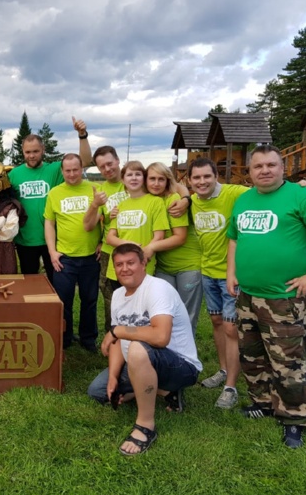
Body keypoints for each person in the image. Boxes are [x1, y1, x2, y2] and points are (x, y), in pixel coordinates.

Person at [226, 145, 306, 448]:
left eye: (271, 165)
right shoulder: (244, 200)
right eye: (258, 166)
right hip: (248, 296)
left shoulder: (300, 196)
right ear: (250, 172)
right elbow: (234, 239)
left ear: (283, 168)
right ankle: (263, 402)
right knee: (252, 355)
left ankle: (293, 418)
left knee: (287, 361)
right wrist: (231, 272)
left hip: (284, 299)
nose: (265, 170)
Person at [88, 244, 202, 456]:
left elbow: (160, 337)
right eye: (119, 264)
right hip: (138, 361)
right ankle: (165, 391)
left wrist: (118, 330)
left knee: (138, 348)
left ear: (143, 263)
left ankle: (145, 426)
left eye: (130, 263)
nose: (125, 269)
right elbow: (117, 342)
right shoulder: (118, 295)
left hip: (179, 365)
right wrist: (113, 377)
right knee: (98, 391)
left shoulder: (157, 288)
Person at [189, 157, 248, 409]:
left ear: (216, 176)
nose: (202, 181)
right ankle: (223, 370)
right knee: (216, 322)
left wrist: (299, 185)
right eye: (197, 177)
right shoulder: (192, 200)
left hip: (231, 274)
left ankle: (231, 387)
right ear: (190, 181)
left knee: (231, 328)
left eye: (207, 176)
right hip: (208, 272)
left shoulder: (233, 193)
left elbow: (266, 188)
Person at [9, 118, 91, 283]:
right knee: (30, 284)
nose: (32, 155)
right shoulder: (14, 174)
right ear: (22, 152)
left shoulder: (54, 169)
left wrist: (82, 135)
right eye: (28, 152)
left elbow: (85, 161)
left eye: (36, 151)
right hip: (25, 239)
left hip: (53, 240)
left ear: (43, 150)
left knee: (55, 283)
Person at [44, 153, 101, 351]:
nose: (71, 174)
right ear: (62, 171)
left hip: (90, 256)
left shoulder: (95, 189)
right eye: (67, 170)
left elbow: (106, 219)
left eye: (75, 170)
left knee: (90, 299)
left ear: (82, 168)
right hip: (65, 258)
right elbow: (49, 223)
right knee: (63, 300)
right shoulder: (55, 193)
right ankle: (65, 336)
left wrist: (102, 241)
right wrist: (52, 251)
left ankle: (88, 338)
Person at [144, 162, 202, 335]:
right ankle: (168, 347)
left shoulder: (173, 200)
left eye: (161, 179)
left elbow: (180, 237)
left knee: (186, 314)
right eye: (152, 179)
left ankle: (186, 349)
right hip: (163, 266)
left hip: (187, 265)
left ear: (168, 181)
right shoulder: (150, 201)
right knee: (165, 312)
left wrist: (151, 247)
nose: (156, 183)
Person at [83, 146, 128, 337]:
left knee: (139, 295)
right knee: (111, 297)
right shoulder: (100, 191)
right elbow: (90, 225)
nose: (107, 169)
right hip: (110, 251)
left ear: (118, 160)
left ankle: (139, 336)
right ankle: (113, 337)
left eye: (110, 164)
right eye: (102, 167)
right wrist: (95, 205)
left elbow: (170, 183)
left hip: (138, 247)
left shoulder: (135, 180)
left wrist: (186, 198)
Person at [105, 161, 170, 280]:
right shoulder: (120, 206)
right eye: (129, 175)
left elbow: (159, 236)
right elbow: (110, 238)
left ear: (144, 178)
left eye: (138, 174)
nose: (134, 178)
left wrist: (141, 256)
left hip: (142, 265)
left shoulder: (155, 202)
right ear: (123, 180)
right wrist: (128, 244)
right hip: (118, 268)